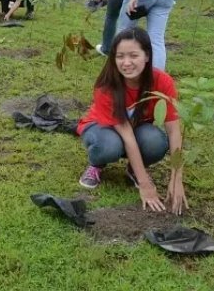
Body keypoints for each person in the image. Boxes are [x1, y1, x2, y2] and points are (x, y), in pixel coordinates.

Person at [77, 28, 187, 215]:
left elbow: (174, 131)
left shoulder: (162, 82)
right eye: (120, 56)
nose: (126, 63)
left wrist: (177, 179)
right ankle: (96, 164)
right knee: (110, 146)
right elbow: (127, 136)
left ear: (146, 56)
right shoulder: (107, 85)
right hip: (100, 127)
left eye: (133, 55)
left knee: (156, 141)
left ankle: (134, 169)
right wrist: (145, 185)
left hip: (135, 127)